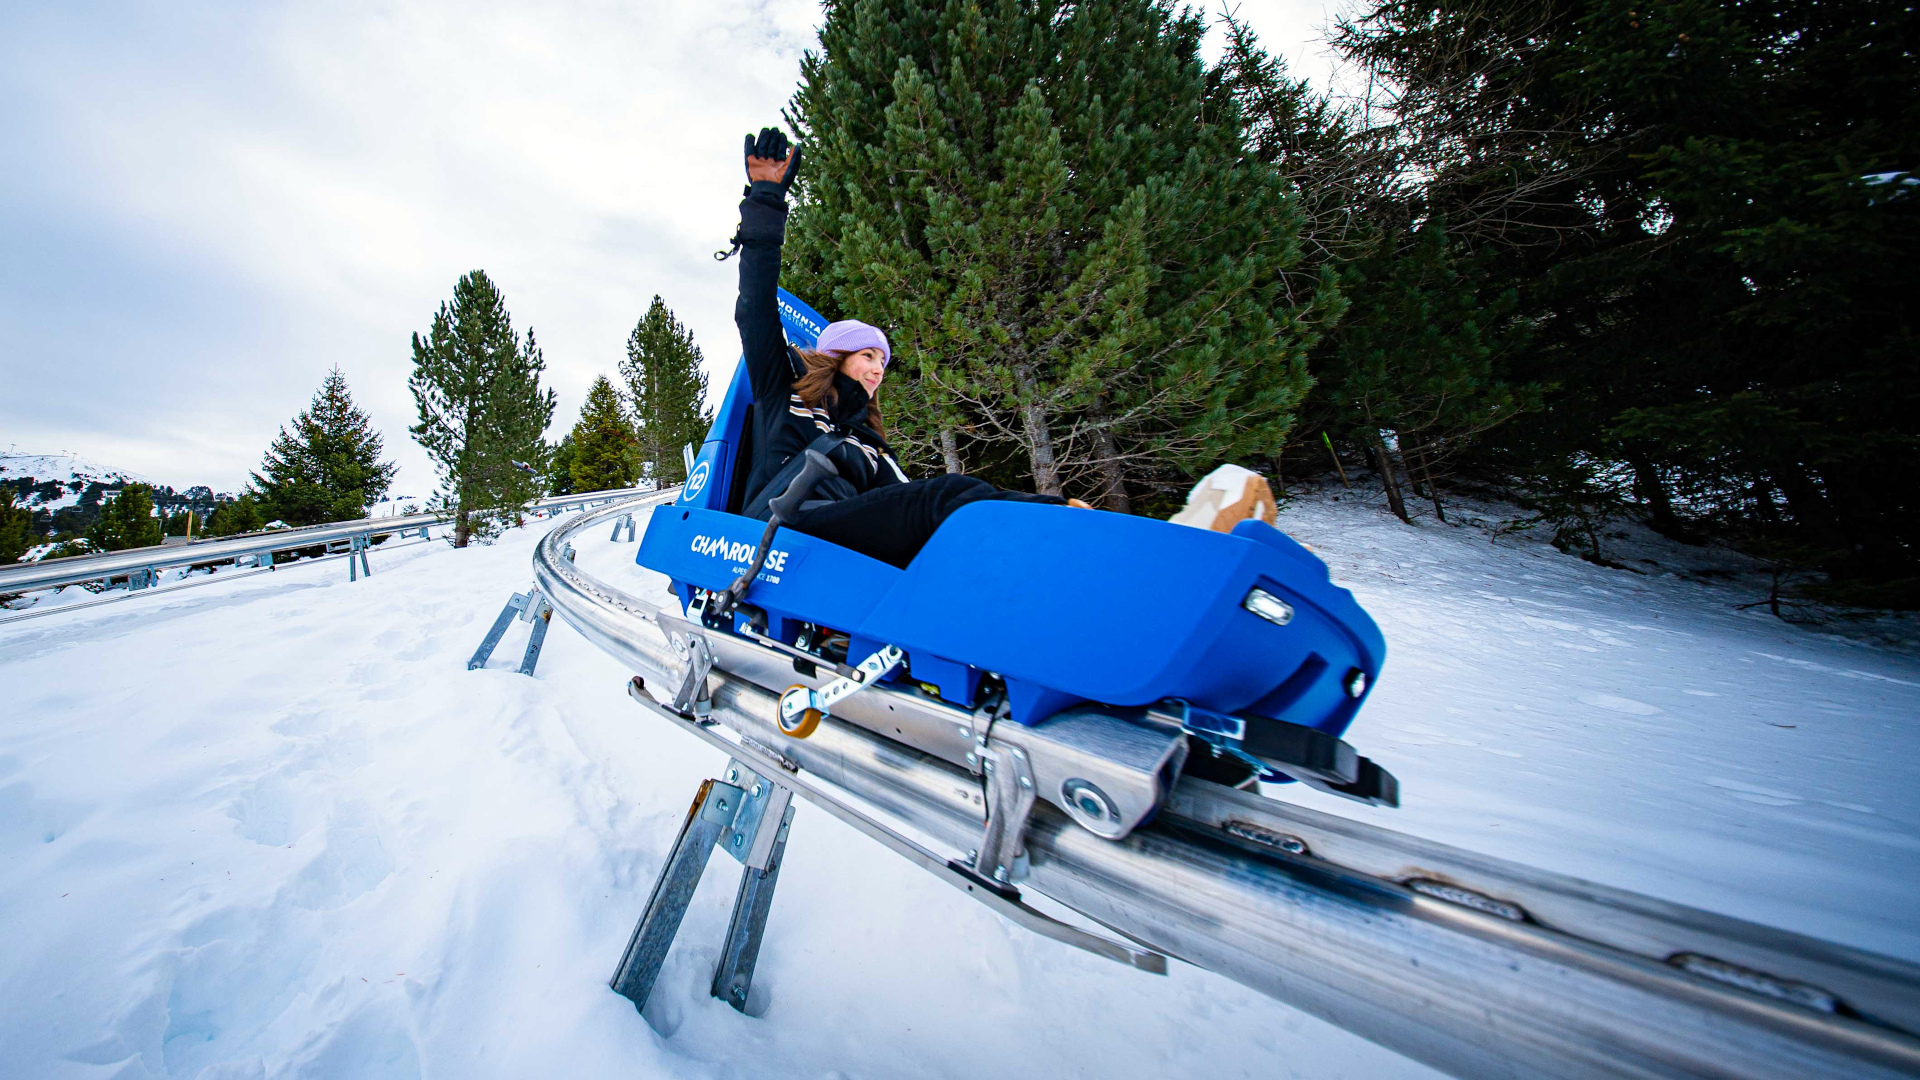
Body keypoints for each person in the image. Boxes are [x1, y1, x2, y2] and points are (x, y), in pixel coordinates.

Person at [729, 126, 1069, 568]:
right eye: (868, 355)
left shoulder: (870, 442)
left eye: (883, 362)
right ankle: (1055, 522)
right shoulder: (785, 389)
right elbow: (755, 306)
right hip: (779, 528)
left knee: (944, 520)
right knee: (944, 496)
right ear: (836, 357)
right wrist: (766, 198)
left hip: (838, 544)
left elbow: (902, 498)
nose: (878, 369)